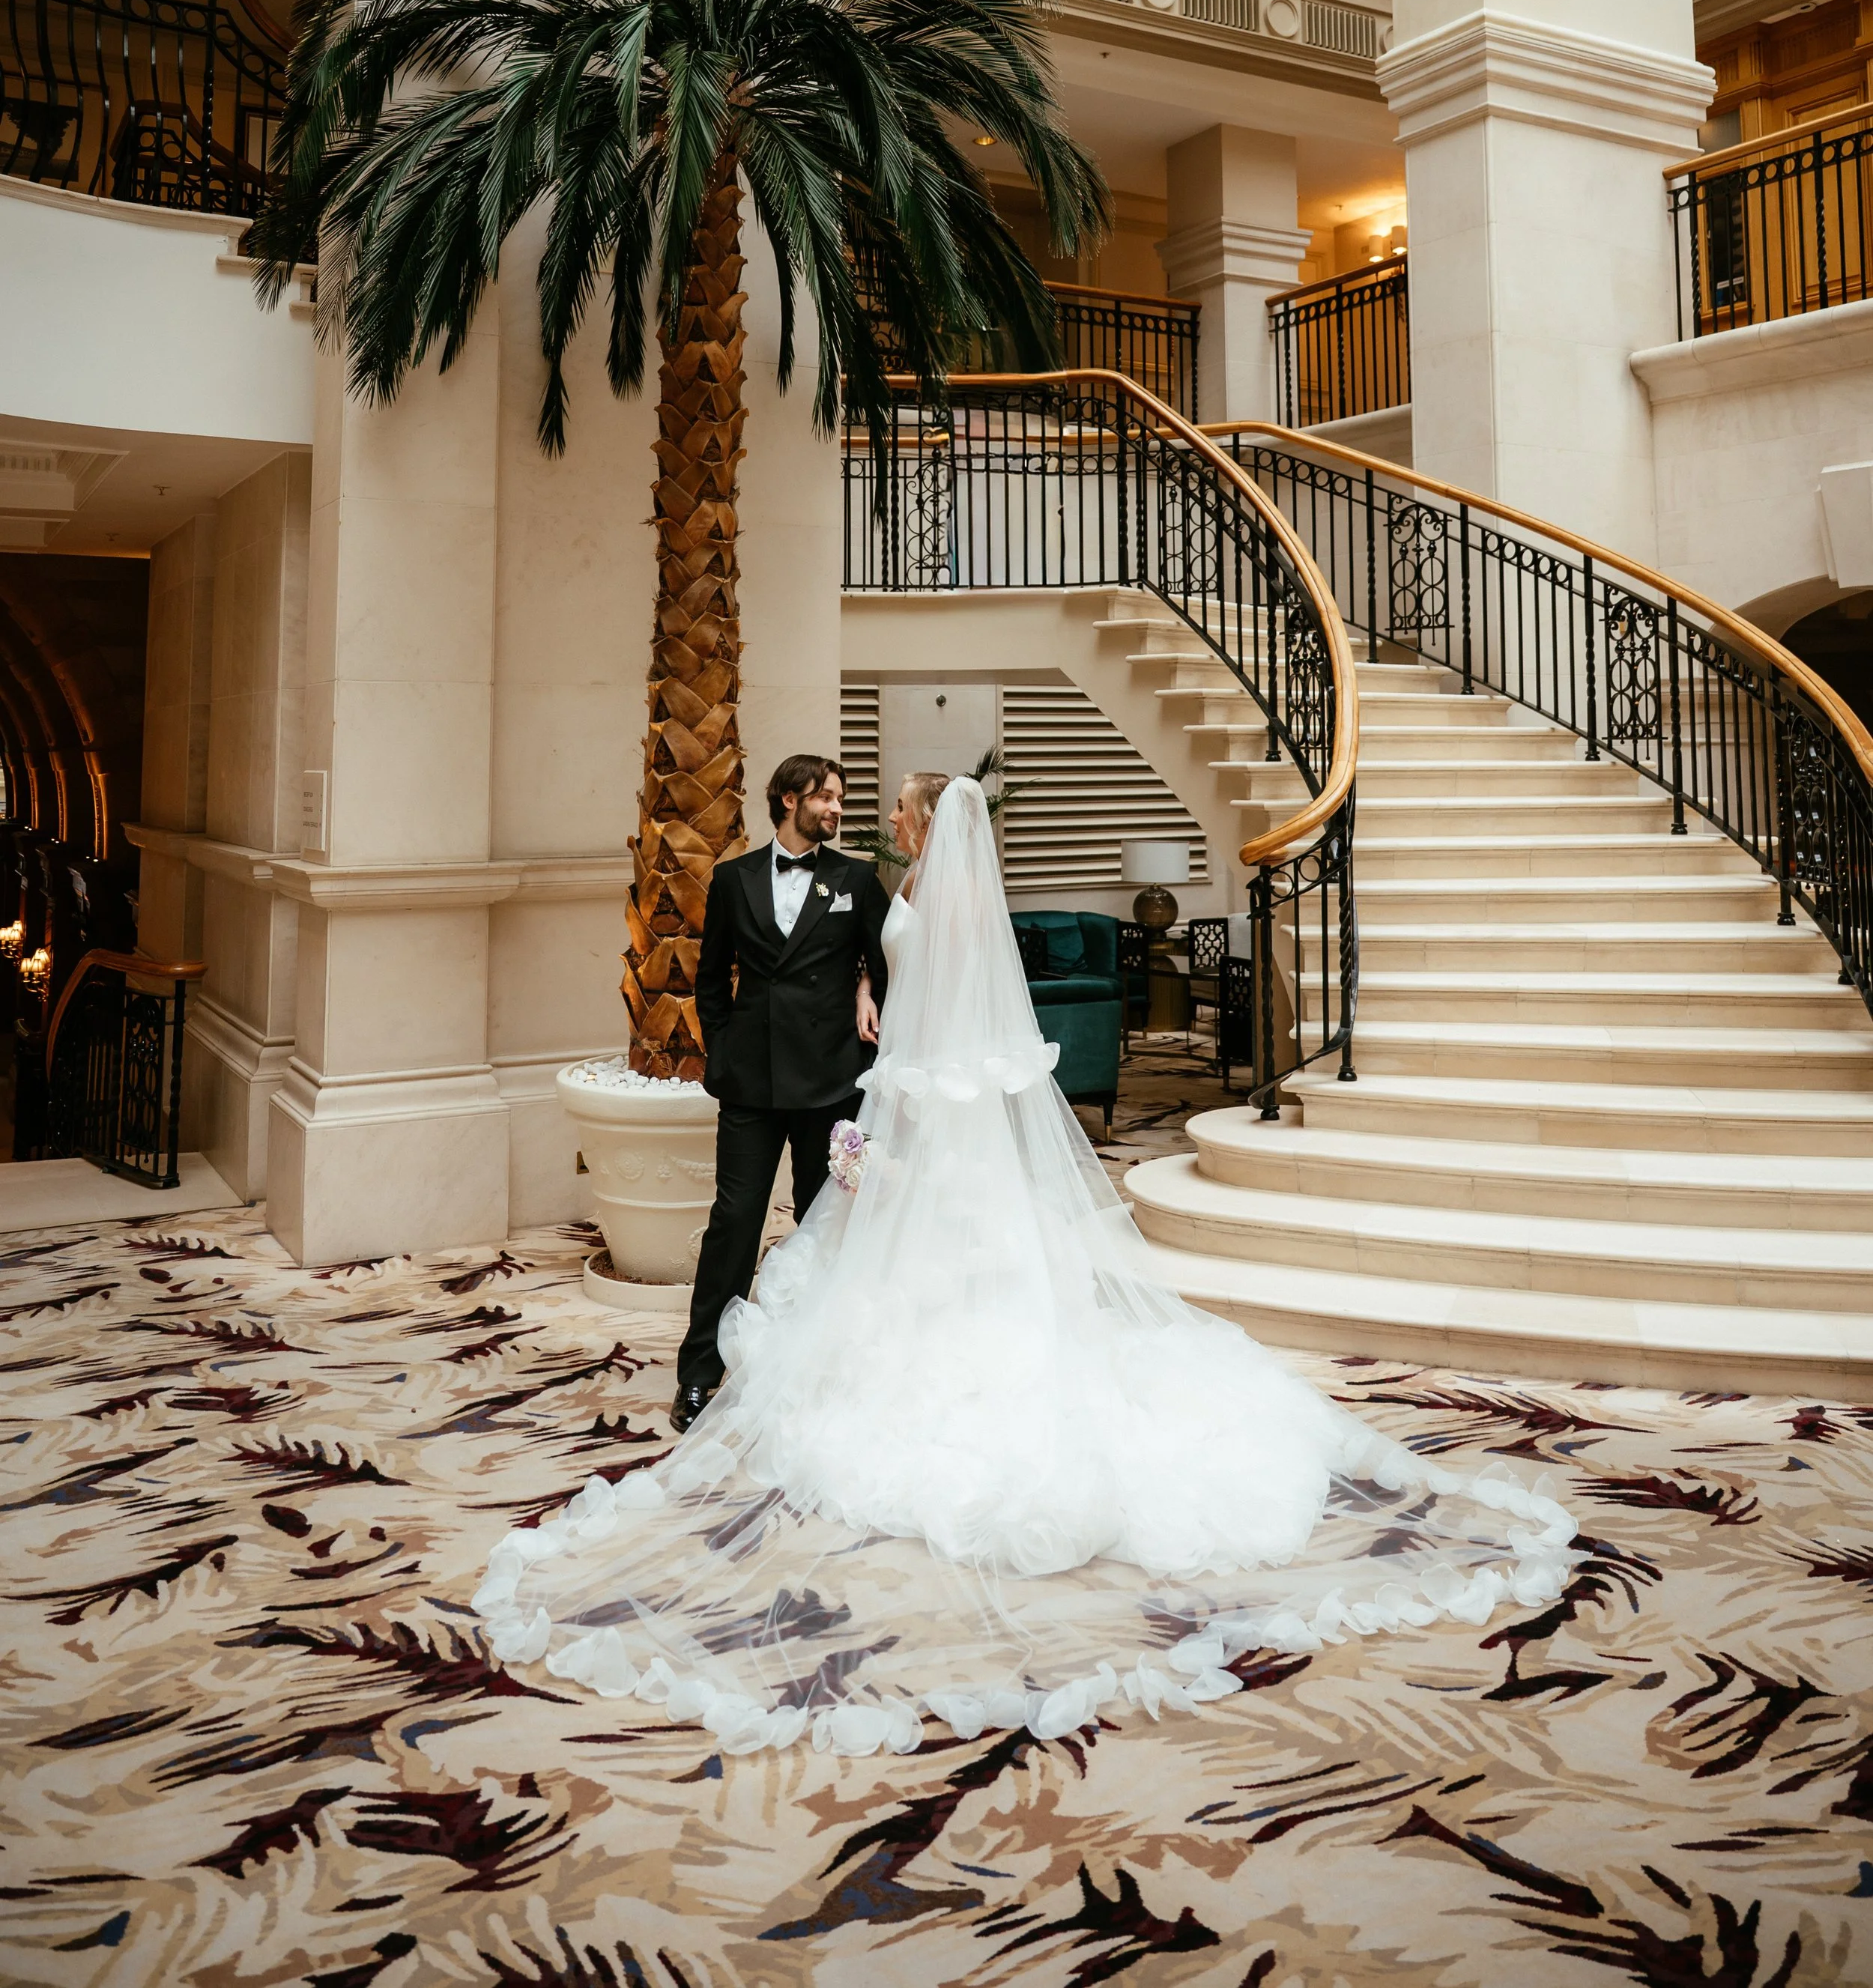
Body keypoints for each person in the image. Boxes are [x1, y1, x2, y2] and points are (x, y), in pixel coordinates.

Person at [477, 775, 1574, 1760]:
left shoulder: (908, 891)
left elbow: (929, 985)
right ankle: (721, 1359)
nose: (881, 819)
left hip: (917, 1088)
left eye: (895, 808)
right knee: (838, 1242)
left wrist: (889, 1082)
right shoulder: (891, 885)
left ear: (923, 824)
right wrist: (871, 1024)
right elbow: (872, 976)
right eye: (866, 805)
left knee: (923, 1262)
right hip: (888, 1079)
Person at [669, 753, 891, 1433]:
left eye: (840, 799)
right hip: (754, 1082)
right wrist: (723, 1051)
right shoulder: (733, 879)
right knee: (734, 1222)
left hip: (831, 1082)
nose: (837, 809)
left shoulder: (856, 878)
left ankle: (821, 1366)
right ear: (790, 798)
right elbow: (711, 979)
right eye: (826, 797)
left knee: (822, 1223)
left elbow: (887, 963)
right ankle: (700, 1374)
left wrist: (864, 987)